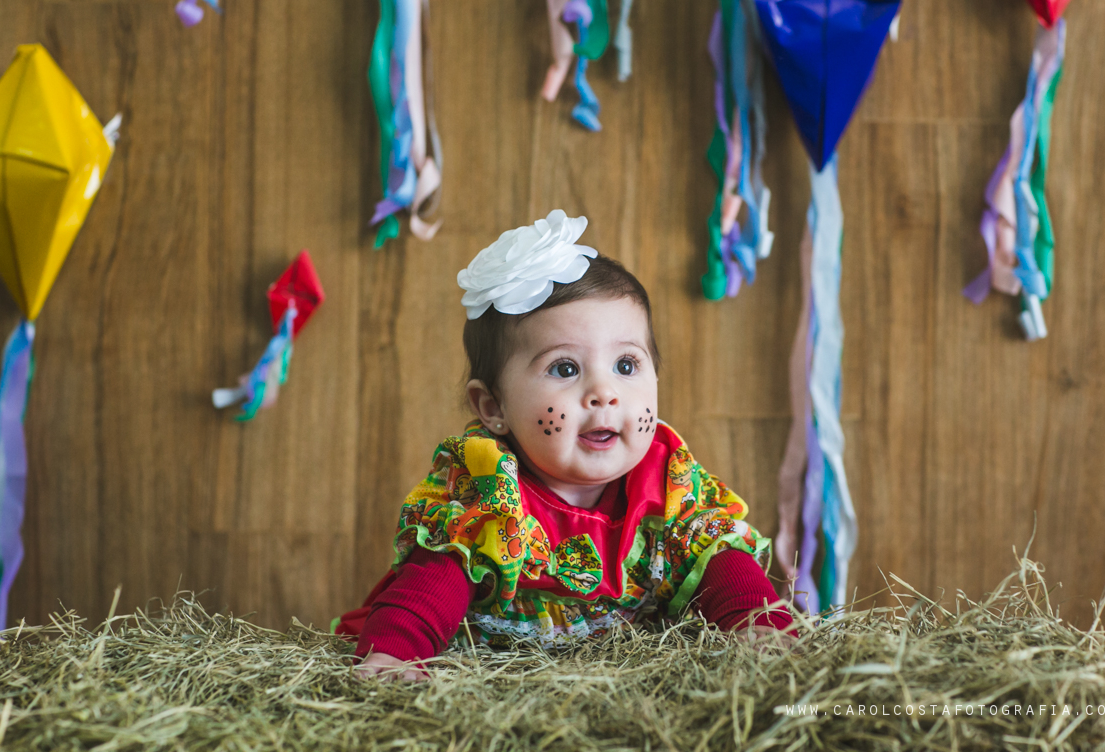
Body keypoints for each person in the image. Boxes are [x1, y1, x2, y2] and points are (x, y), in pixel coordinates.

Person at [337, 210, 795, 681]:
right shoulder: (488, 491)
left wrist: (760, 628)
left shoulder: (667, 488)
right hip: (501, 684)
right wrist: (395, 654)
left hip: (627, 687)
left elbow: (724, 565)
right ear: (493, 406)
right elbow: (431, 585)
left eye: (626, 364)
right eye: (565, 369)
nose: (604, 392)